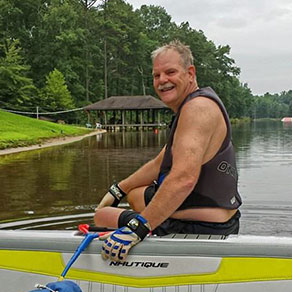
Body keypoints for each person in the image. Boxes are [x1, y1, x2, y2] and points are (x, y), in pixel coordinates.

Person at [95, 40, 242, 262]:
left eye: (170, 72)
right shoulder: (192, 106)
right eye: (157, 75)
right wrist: (117, 190)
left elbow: (183, 179)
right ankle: (153, 229)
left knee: (102, 216)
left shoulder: (197, 109)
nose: (162, 80)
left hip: (205, 228)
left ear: (190, 73)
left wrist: (138, 228)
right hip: (218, 218)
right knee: (135, 194)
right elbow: (158, 164)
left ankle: (145, 240)